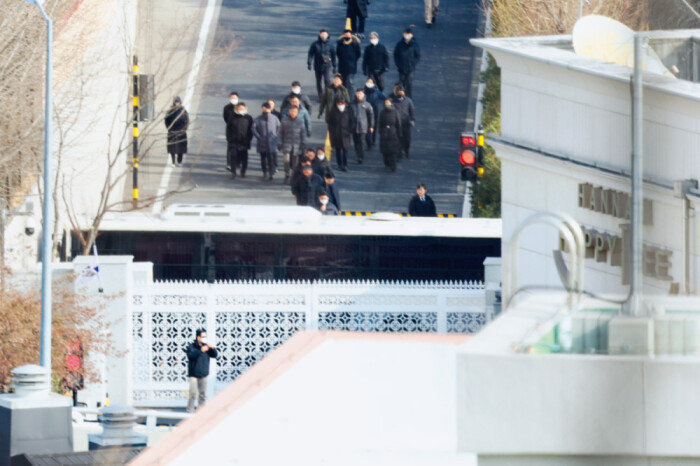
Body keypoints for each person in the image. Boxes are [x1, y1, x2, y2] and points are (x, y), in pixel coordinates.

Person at [185, 329, 218, 413]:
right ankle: (190, 410)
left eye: (205, 337)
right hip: (193, 374)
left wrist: (212, 348)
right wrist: (200, 351)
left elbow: (215, 355)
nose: (204, 338)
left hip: (203, 373)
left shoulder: (206, 347)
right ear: (198, 337)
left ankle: (201, 411)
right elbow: (191, 356)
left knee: (202, 394)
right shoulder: (192, 346)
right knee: (192, 393)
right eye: (202, 337)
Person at [253, 102, 281, 181]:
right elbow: (253, 128)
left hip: (271, 142)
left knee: (270, 158)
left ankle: (271, 173)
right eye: (265, 108)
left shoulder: (274, 118)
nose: (267, 110)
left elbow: (279, 127)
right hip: (262, 142)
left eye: (268, 109)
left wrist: (275, 135)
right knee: (263, 159)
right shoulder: (258, 119)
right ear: (263, 108)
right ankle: (264, 172)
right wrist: (258, 136)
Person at [226, 102, 254, 178]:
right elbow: (228, 129)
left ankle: (243, 171)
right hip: (233, 142)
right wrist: (229, 139)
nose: (241, 110)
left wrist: (248, 139)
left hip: (244, 142)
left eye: (242, 109)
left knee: (244, 158)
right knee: (233, 156)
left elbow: (251, 130)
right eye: (239, 109)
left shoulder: (248, 118)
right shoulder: (232, 117)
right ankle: (233, 172)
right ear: (236, 109)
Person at [308, 29, 337, 100]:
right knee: (318, 81)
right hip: (318, 65)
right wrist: (309, 63)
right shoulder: (315, 44)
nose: (323, 36)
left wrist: (334, 66)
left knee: (327, 81)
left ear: (328, 35)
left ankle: (328, 95)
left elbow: (333, 56)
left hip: (327, 65)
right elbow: (310, 54)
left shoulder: (331, 45)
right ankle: (321, 96)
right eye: (322, 34)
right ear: (319, 35)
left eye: (325, 34)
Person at [280, 105, 306, 183]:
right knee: (286, 160)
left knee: (295, 163)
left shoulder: (300, 121)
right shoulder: (284, 121)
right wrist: (279, 142)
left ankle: (293, 176)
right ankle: (287, 174)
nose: (293, 113)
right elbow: (280, 133)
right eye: (292, 111)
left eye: (295, 111)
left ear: (297, 112)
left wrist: (303, 143)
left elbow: (303, 133)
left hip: (296, 145)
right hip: (287, 144)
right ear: (289, 111)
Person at [328, 98, 354, 171]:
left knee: (345, 150)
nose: (340, 105)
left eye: (342, 104)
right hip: (337, 134)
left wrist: (349, 130)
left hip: (345, 134)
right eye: (339, 104)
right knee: (338, 150)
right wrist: (331, 134)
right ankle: (339, 164)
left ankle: (345, 164)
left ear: (345, 104)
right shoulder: (333, 112)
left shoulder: (348, 111)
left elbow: (352, 121)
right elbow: (330, 124)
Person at [390, 83, 415, 159]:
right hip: (396, 123)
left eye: (402, 91)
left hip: (406, 123)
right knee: (398, 138)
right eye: (399, 91)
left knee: (407, 138)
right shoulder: (393, 101)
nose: (400, 93)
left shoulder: (408, 101)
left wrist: (412, 119)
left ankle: (406, 150)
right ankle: (399, 153)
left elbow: (411, 110)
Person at [394, 28, 420, 98]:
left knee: (409, 84)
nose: (407, 35)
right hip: (401, 68)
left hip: (410, 68)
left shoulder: (414, 44)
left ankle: (408, 98)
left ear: (411, 35)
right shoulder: (399, 44)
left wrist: (412, 65)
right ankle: (400, 96)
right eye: (405, 34)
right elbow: (396, 55)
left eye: (408, 34)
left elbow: (417, 56)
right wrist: (398, 64)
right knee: (401, 84)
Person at [349, 89, 374, 164]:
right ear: (356, 94)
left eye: (361, 93)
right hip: (354, 126)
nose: (359, 95)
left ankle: (360, 156)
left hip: (363, 127)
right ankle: (357, 153)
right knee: (356, 142)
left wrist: (371, 126)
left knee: (361, 142)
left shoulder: (367, 105)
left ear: (363, 95)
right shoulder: (351, 104)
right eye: (358, 93)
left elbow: (371, 116)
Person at [378, 97, 401, 172]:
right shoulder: (382, 112)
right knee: (385, 151)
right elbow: (380, 123)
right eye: (386, 103)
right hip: (384, 133)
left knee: (393, 151)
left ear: (391, 103)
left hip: (393, 133)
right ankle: (387, 163)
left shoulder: (395, 112)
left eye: (388, 103)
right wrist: (380, 131)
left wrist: (399, 133)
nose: (387, 104)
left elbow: (398, 123)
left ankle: (393, 165)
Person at [164, 96, 189, 167]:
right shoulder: (170, 111)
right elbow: (166, 121)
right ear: (174, 102)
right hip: (172, 131)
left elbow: (187, 121)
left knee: (181, 148)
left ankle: (179, 161)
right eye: (176, 101)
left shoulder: (183, 111)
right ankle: (173, 162)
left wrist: (184, 128)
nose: (177, 103)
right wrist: (169, 128)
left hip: (181, 132)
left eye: (178, 102)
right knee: (172, 148)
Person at [336, 29, 361, 96]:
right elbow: (338, 53)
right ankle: (344, 97)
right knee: (343, 83)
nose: (347, 35)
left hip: (351, 67)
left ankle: (351, 98)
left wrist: (352, 61)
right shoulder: (340, 43)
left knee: (350, 83)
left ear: (351, 35)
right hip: (342, 67)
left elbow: (358, 54)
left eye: (348, 34)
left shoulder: (354, 44)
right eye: (346, 34)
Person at [363, 77, 387, 148]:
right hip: (366, 112)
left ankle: (372, 140)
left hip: (374, 112)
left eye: (370, 82)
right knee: (367, 127)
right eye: (368, 82)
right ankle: (368, 142)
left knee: (373, 126)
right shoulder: (363, 92)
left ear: (373, 84)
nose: (369, 84)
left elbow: (385, 97)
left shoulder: (377, 92)